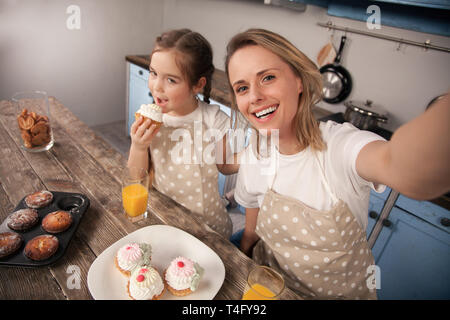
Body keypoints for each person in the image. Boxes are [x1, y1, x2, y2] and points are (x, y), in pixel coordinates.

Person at [225, 28, 450, 299]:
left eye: (268, 77)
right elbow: (252, 204)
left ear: (299, 81)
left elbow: (408, 169)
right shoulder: (256, 153)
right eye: (242, 88)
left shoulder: (339, 147)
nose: (255, 96)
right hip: (270, 284)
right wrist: (246, 245)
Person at [128, 29, 238, 239]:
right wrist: (139, 146)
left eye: (171, 80)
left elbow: (225, 166)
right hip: (166, 218)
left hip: (209, 224)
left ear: (198, 84)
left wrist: (254, 154)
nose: (157, 86)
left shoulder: (213, 120)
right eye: (153, 73)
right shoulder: (149, 119)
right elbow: (135, 177)